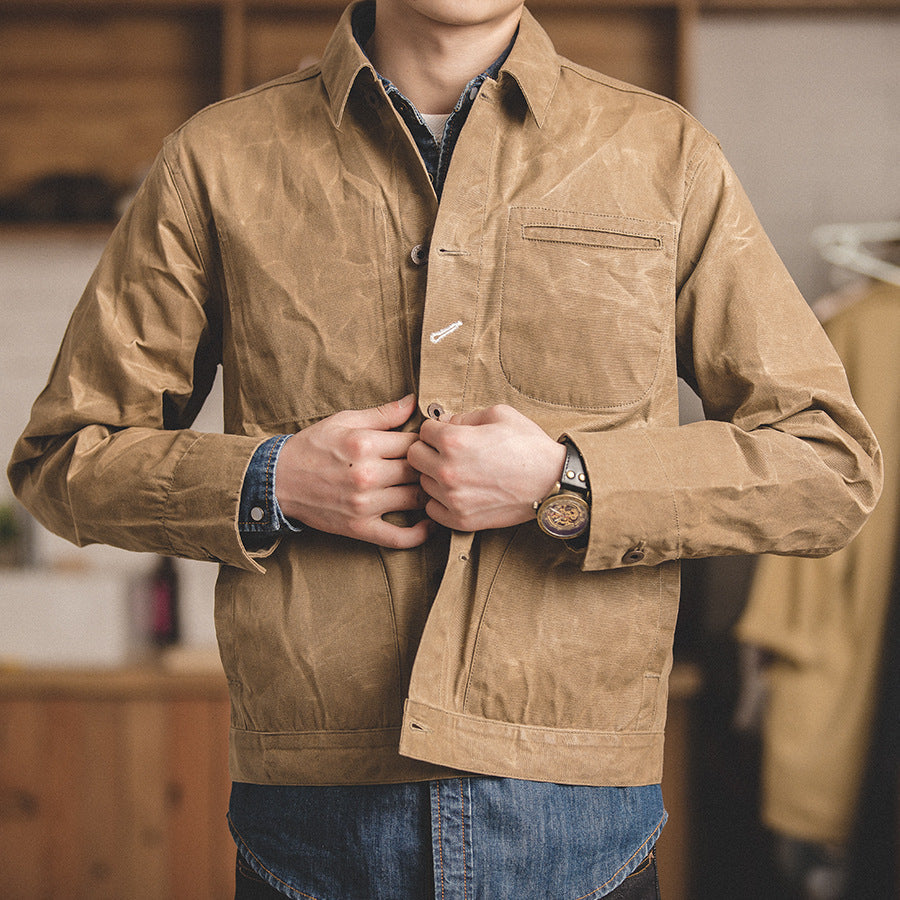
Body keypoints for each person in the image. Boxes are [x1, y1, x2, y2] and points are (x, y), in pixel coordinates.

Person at [8, 1, 882, 897]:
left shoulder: (663, 154)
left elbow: (828, 463)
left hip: (577, 813)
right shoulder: (219, 158)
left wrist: (568, 479)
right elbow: (63, 456)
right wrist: (273, 480)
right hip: (314, 816)